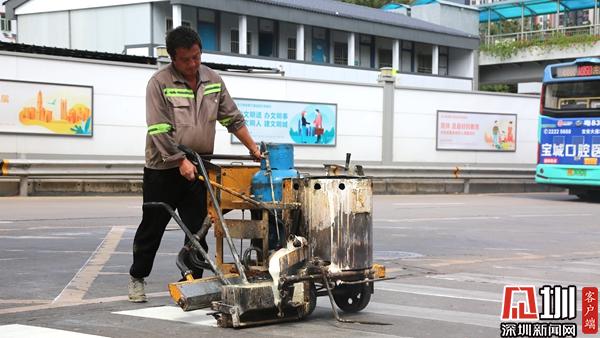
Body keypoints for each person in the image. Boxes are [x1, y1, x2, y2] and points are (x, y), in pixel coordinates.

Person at [128, 26, 262, 303]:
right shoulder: (159, 83)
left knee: (197, 228)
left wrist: (252, 147)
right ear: (173, 59)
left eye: (197, 57)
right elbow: (158, 129)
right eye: (186, 59)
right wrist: (179, 160)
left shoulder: (212, 79)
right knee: (152, 227)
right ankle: (137, 276)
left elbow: (232, 118)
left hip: (199, 167)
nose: (193, 64)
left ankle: (191, 281)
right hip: (163, 169)